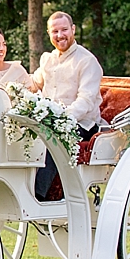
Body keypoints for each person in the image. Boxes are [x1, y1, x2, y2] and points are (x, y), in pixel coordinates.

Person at [30, 11, 103, 201]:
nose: (60, 35)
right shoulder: (48, 59)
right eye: (55, 31)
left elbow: (86, 101)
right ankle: (18, 188)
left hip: (81, 124)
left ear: (73, 30)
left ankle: (39, 196)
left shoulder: (87, 61)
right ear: (49, 33)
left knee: (52, 139)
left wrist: (61, 120)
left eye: (64, 30)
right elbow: (34, 84)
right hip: (48, 121)